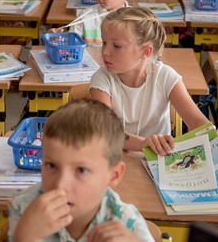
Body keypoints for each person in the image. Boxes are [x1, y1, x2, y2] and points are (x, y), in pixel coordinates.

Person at [89, 7, 218, 154]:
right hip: (115, 157)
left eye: (116, 46)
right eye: (104, 42)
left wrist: (213, 139)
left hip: (160, 159)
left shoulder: (165, 76)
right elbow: (107, 130)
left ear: (145, 52)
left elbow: (196, 121)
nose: (105, 52)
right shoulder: (102, 78)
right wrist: (143, 143)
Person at [8, 98, 153, 242]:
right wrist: (25, 237)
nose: (60, 185)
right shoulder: (24, 209)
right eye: (51, 165)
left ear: (113, 175)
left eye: (81, 170)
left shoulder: (128, 224)